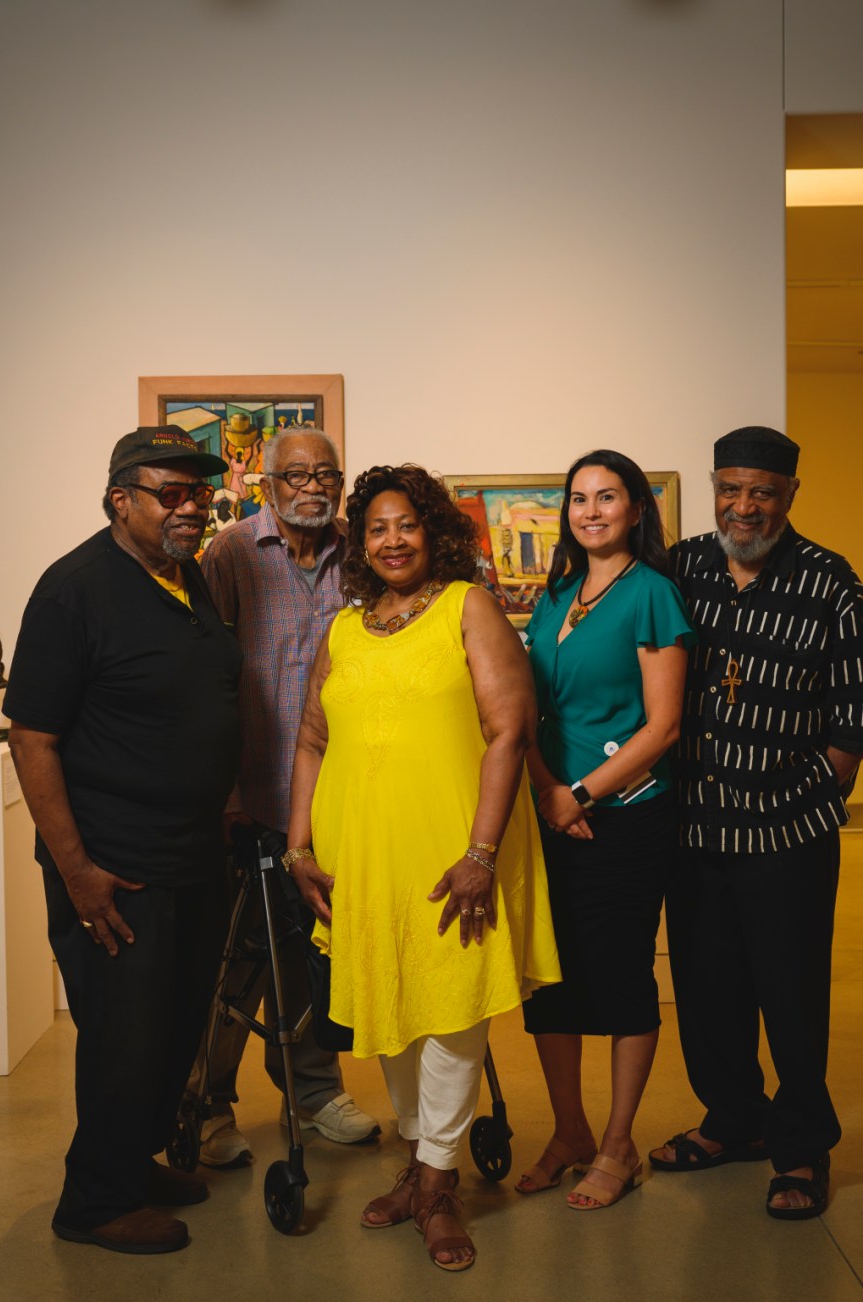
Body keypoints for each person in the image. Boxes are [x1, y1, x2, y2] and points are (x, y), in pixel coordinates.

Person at [287, 464, 560, 1272]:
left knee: (448, 1012)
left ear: (432, 531)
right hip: (359, 858)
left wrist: (480, 853)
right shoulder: (342, 630)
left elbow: (508, 731)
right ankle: (418, 1159)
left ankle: (439, 1186)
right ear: (359, 542)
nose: (391, 539)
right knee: (388, 1005)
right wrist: (298, 846)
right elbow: (310, 742)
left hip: (452, 852)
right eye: (375, 527)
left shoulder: (467, 608)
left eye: (405, 523)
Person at [4, 426, 242, 1254]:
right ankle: (95, 1202)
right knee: (122, 1034)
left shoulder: (187, 582)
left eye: (199, 494)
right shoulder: (73, 590)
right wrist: (78, 872)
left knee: (173, 1027)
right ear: (121, 500)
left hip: (188, 853)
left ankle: (131, 1164)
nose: (191, 508)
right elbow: (32, 736)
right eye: (171, 494)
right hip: (114, 864)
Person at [650, 426, 863, 1220]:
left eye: (762, 492)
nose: (744, 506)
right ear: (714, 487)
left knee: (790, 991)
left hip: (785, 838)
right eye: (731, 488)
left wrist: (811, 790)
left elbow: (851, 719)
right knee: (706, 989)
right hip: (694, 829)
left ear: (788, 496)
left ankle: (802, 1145)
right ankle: (732, 1121)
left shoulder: (830, 584)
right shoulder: (684, 567)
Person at [189, 428, 378, 1167]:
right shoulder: (231, 553)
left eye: (326, 473)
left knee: (309, 955)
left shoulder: (357, 552)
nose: (313, 486)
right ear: (267, 482)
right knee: (233, 963)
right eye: (296, 474)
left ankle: (314, 1088)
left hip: (331, 802)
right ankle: (207, 1102)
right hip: (250, 794)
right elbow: (206, 677)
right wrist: (229, 792)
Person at [517, 450, 696, 1210]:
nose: (590, 511)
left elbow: (663, 726)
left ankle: (618, 1144)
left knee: (620, 975)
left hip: (622, 817)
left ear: (635, 510)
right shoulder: (557, 595)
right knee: (548, 981)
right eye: (578, 498)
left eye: (608, 497)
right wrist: (546, 792)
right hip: (549, 811)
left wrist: (579, 794)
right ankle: (569, 1131)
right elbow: (531, 713)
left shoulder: (651, 594)